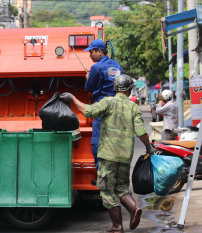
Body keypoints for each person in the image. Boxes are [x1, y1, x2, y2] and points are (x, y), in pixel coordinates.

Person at [60, 74, 155, 232]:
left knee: (105, 189)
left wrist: (72, 98)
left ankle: (117, 226)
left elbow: (88, 111)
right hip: (125, 157)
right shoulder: (134, 108)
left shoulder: (108, 102)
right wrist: (149, 148)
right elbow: (141, 131)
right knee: (121, 187)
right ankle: (133, 208)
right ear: (130, 90)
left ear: (115, 88)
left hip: (108, 156)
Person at [83, 39, 123, 178]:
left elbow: (89, 87)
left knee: (97, 143)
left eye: (91, 52)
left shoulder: (96, 68)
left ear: (99, 51)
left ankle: (103, 175)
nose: (90, 55)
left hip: (102, 108)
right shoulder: (117, 66)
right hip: (117, 108)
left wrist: (88, 78)